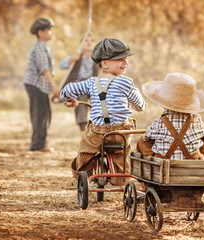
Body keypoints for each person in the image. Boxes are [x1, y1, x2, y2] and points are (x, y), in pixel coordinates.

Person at [60, 38, 145, 180]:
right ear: (104, 64)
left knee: (85, 151)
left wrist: (69, 98)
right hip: (121, 133)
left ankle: (82, 176)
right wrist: (136, 101)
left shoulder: (91, 83)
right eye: (120, 59)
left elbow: (68, 90)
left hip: (97, 133)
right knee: (122, 153)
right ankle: (120, 178)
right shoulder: (127, 83)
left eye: (126, 59)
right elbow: (140, 106)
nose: (126, 63)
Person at [137, 72, 204, 160]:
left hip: (163, 160)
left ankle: (153, 159)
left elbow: (146, 138)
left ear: (164, 102)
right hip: (193, 161)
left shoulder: (159, 122)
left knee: (142, 142)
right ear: (191, 102)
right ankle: (202, 160)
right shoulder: (196, 120)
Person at [23, 18, 60, 151]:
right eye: (48, 29)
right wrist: (55, 87)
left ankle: (41, 143)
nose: (50, 32)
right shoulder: (39, 48)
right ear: (40, 32)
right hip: (35, 85)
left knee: (46, 114)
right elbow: (45, 69)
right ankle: (37, 145)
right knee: (39, 115)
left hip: (42, 86)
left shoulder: (45, 47)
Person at [59, 33, 99, 131]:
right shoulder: (77, 57)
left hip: (92, 84)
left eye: (91, 41)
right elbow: (61, 65)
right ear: (81, 44)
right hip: (78, 84)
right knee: (81, 94)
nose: (89, 43)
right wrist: (72, 59)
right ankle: (82, 122)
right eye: (86, 41)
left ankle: (102, 122)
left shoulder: (97, 59)